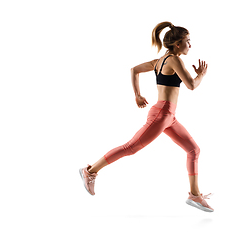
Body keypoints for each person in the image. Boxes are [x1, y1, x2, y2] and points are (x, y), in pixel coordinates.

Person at [79, 21, 213, 212]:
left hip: (168, 116)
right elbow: (191, 85)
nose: (190, 45)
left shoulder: (160, 61)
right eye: (187, 41)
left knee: (193, 150)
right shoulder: (174, 59)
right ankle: (90, 171)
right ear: (177, 44)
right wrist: (201, 75)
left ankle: (194, 195)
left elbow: (134, 70)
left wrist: (137, 95)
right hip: (162, 114)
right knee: (130, 148)